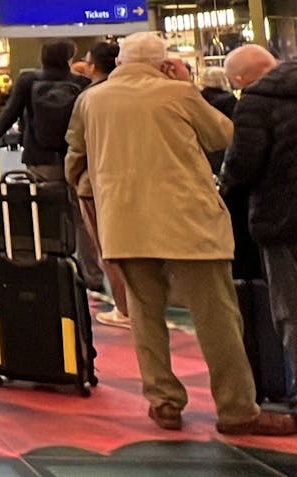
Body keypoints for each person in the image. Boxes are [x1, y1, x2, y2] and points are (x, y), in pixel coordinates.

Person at [67, 33, 295, 436]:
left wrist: (98, 191)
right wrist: (185, 86)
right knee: (217, 316)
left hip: (125, 223)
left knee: (145, 315)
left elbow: (75, 158)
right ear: (163, 63)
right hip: (189, 222)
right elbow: (224, 136)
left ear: (120, 62)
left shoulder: (91, 100)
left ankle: (164, 402)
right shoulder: (178, 95)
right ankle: (237, 408)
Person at [0, 39, 100, 280]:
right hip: (76, 157)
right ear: (70, 59)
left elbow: (11, 111)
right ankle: (91, 273)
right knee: (80, 216)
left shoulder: (29, 80)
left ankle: (45, 264)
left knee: (41, 210)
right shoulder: (81, 83)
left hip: (39, 156)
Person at [222, 44, 297, 389]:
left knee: (291, 311)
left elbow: (245, 163)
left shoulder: (256, 100)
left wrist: (226, 186)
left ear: (239, 79)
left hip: (281, 218)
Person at [65, 42, 131, 329]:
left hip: (97, 183)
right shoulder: (146, 93)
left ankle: (124, 309)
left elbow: (76, 146)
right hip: (135, 180)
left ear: (93, 66)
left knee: (110, 247)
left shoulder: (90, 98)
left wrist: (74, 177)